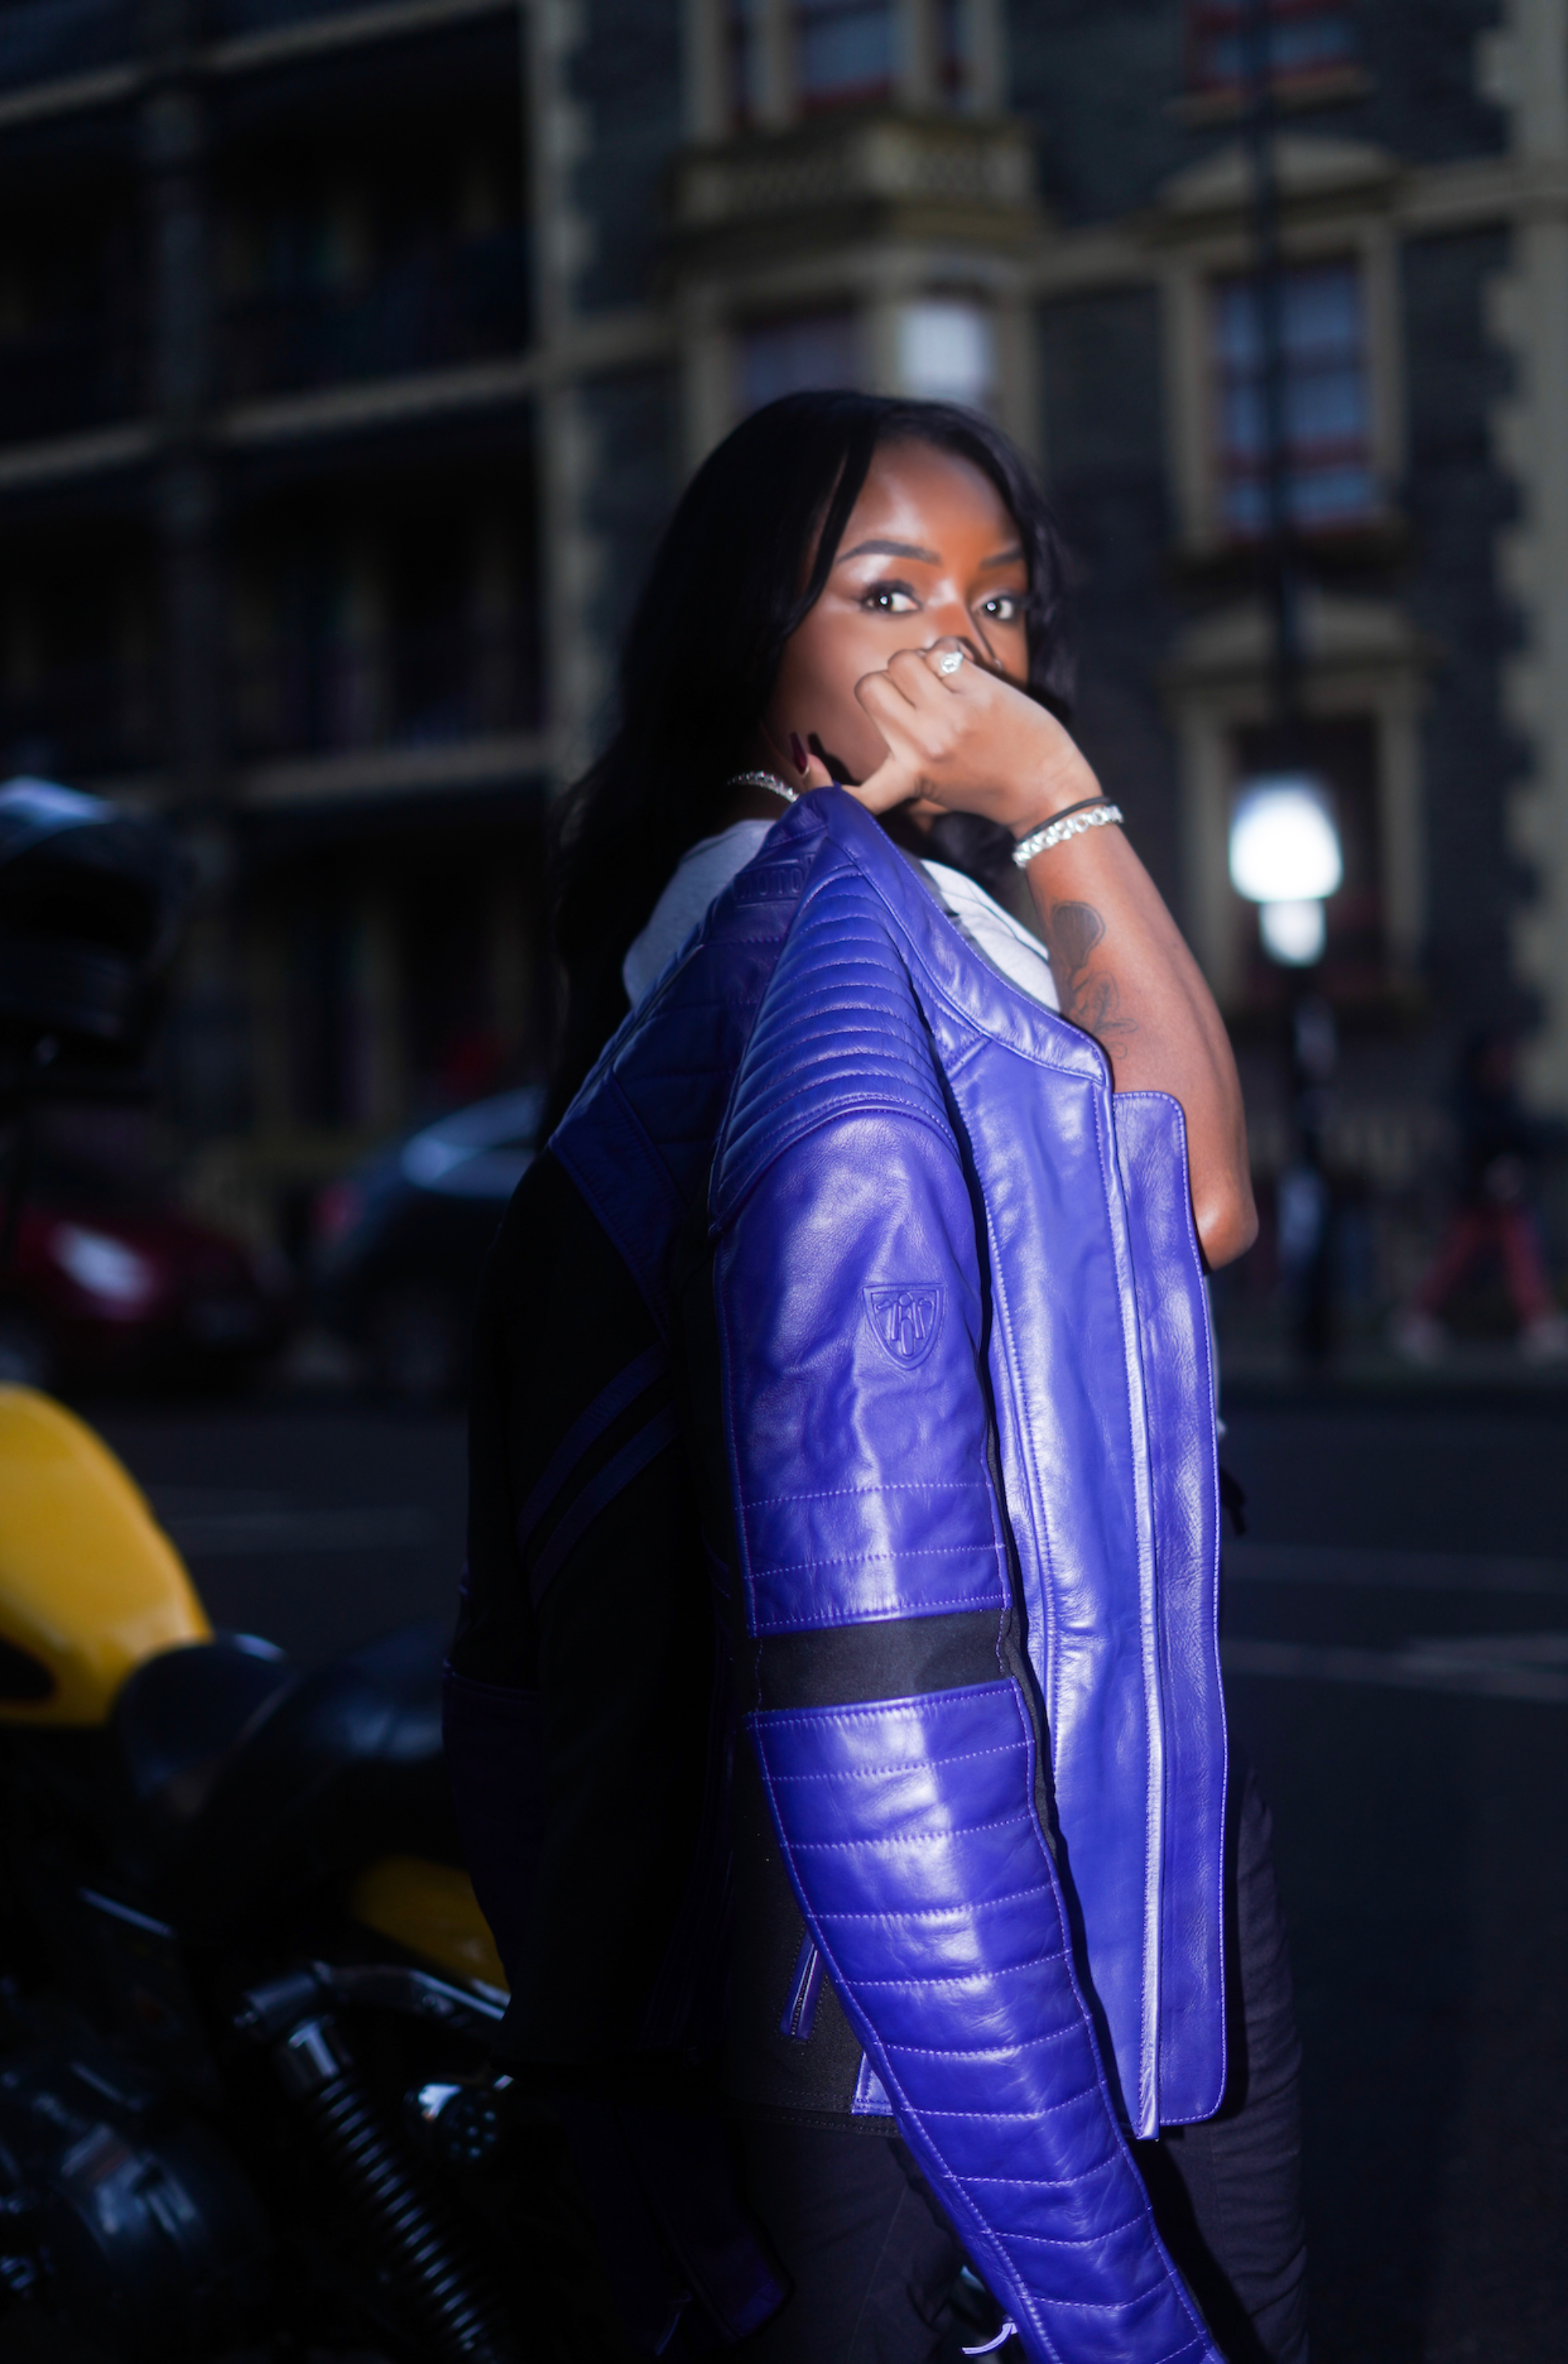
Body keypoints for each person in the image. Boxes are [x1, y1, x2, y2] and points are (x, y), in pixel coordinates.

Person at [449, 393, 1307, 2364]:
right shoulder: (780, 916)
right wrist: (1060, 793)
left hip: (1084, 1745)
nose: (965, 651)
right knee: (1163, 2297)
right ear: (750, 630)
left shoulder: (870, 900)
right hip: (970, 1806)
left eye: (998, 603)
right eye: (891, 592)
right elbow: (1196, 1190)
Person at [1395, 1028, 1568, 1362]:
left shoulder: (1505, 1099)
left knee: (1516, 1244)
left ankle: (1536, 1319)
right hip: (1472, 1200)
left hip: (1501, 1203)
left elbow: (1525, 1139)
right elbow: (1461, 1155)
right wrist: (1487, 1180)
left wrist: (1512, 1172)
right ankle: (1417, 1317)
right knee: (1458, 1256)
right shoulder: (1464, 1104)